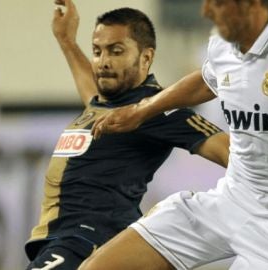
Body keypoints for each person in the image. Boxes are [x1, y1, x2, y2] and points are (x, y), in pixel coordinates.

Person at [80, 0, 268, 269]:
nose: (206, 11)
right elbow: (207, 80)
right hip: (231, 200)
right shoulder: (224, 42)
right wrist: (141, 110)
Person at [25, 0, 230, 269]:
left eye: (116, 51)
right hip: (64, 241)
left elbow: (231, 152)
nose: (103, 62)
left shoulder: (153, 110)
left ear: (146, 57)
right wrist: (66, 41)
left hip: (91, 241)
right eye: (97, 51)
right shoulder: (105, 106)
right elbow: (94, 98)